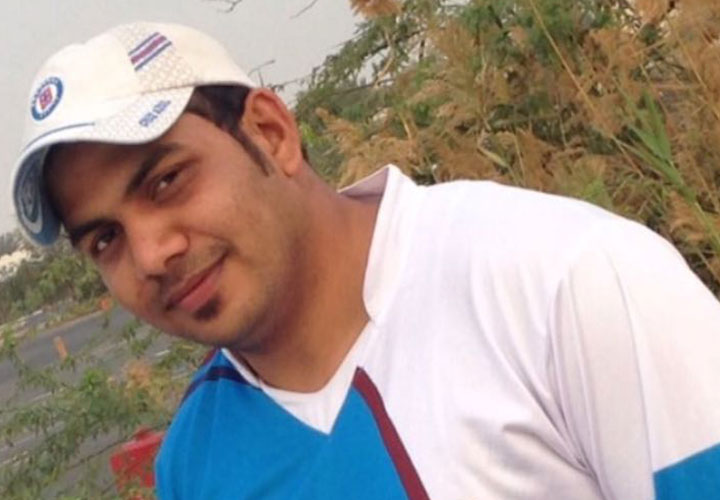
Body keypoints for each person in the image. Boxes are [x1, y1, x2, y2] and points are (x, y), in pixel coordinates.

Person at [10, 21, 720, 500]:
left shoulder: (561, 281)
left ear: (271, 133)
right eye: (105, 239)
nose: (151, 253)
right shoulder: (196, 461)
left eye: (167, 181)